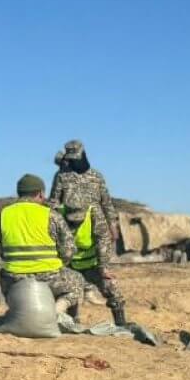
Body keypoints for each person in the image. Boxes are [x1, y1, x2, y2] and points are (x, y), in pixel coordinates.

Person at [49, 139, 128, 325]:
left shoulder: (96, 176)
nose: (74, 162)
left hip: (93, 229)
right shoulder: (62, 176)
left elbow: (106, 202)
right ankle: (70, 321)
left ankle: (121, 323)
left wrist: (113, 224)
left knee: (109, 285)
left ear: (83, 155)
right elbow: (53, 203)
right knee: (68, 286)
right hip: (69, 231)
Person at [0, 173, 85, 310]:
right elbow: (68, 250)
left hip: (13, 279)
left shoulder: (3, 215)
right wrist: (59, 264)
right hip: (48, 277)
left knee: (2, 274)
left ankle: (18, 309)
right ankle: (58, 312)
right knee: (77, 279)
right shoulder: (51, 215)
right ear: (40, 193)